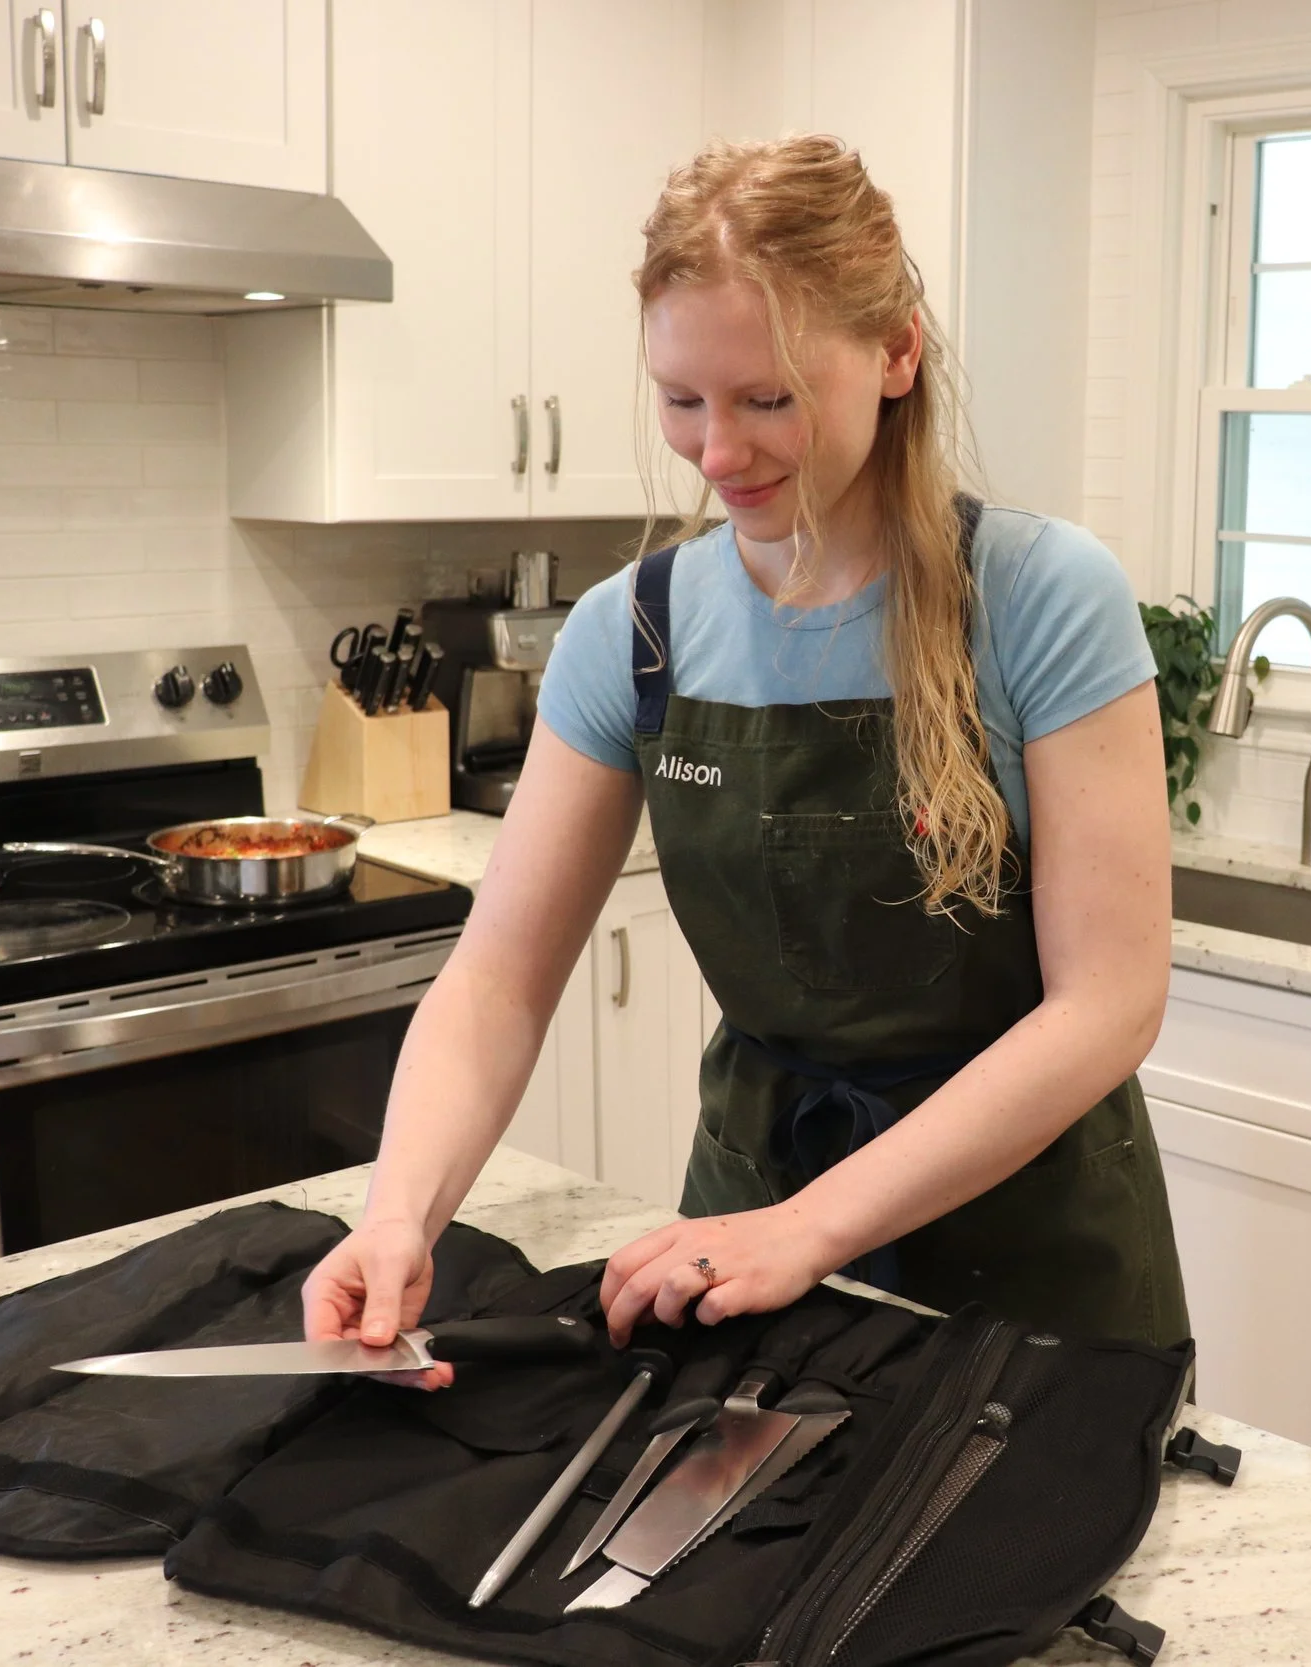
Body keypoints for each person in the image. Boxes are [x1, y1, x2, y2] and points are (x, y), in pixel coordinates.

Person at [301, 135, 1187, 1385]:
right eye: (681, 399)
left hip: (1030, 1255)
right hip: (745, 1232)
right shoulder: (636, 630)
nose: (717, 455)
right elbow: (497, 980)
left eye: (766, 399)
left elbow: (1108, 1002)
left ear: (894, 352)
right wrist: (400, 1213)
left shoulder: (1038, 596)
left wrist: (809, 1231)